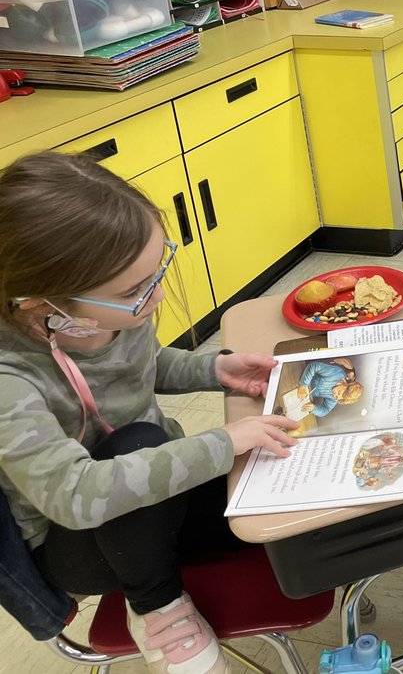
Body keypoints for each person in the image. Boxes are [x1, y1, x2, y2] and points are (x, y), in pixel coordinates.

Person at [0, 152, 299, 674]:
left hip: (156, 500)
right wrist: (225, 442)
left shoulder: (108, 314)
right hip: (79, 541)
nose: (156, 297)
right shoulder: (8, 378)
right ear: (41, 303)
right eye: (134, 290)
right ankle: (158, 607)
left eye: (156, 271)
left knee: (284, 492)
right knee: (139, 442)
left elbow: (139, 365)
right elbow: (74, 496)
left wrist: (214, 371)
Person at [297, 357, 363, 417]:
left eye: (338, 398)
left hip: (299, 396)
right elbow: (314, 366)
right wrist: (303, 385)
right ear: (345, 384)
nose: (335, 396)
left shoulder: (335, 398)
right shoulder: (336, 373)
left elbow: (326, 410)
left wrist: (314, 409)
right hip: (299, 376)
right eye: (339, 392)